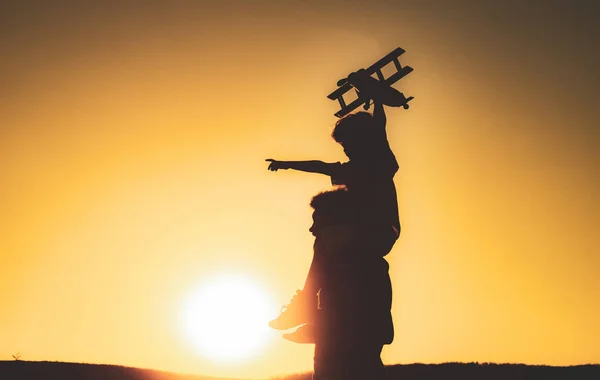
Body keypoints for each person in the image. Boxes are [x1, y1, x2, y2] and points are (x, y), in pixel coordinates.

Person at [267, 69, 403, 339]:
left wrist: (376, 98)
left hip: (379, 232)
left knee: (325, 244)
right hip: (367, 233)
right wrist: (286, 164)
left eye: (348, 145)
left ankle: (306, 307)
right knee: (327, 248)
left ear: (363, 141)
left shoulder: (379, 163)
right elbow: (320, 165)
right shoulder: (354, 168)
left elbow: (379, 130)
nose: (345, 151)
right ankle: (317, 317)